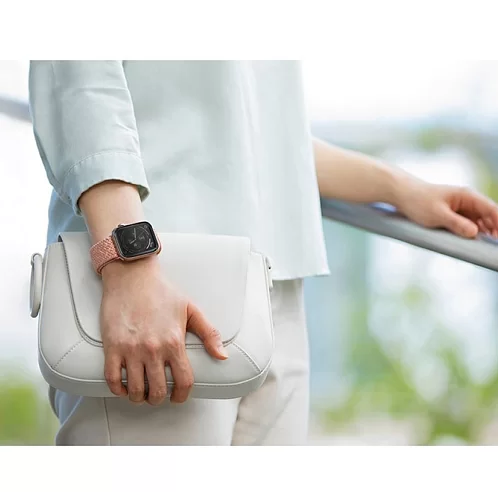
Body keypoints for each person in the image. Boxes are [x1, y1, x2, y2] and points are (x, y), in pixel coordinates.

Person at [29, 61, 498, 446]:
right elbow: (80, 72)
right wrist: (128, 262)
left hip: (276, 284)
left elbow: (256, 129)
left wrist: (400, 188)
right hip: (158, 277)